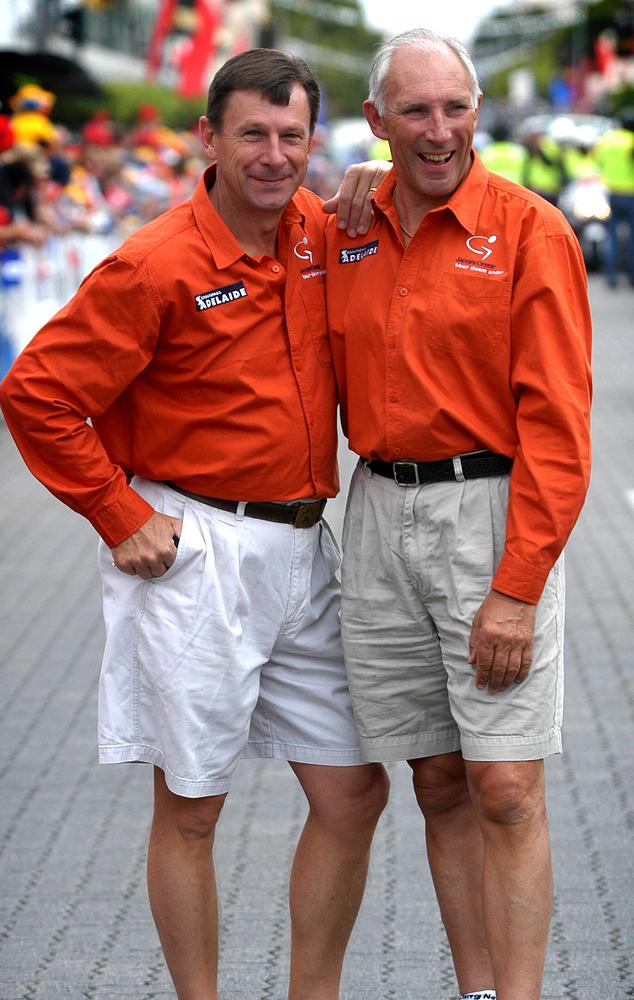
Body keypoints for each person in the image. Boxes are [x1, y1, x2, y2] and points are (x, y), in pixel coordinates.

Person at [0, 48, 390, 1000]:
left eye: (291, 136)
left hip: (308, 547)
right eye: (251, 133)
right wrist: (117, 513)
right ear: (207, 138)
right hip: (194, 549)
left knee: (353, 791)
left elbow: (431, 194)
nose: (273, 155)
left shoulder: (320, 231)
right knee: (193, 806)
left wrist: (384, 180)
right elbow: (37, 393)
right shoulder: (154, 262)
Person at [325, 29, 592, 1000]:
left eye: (452, 109)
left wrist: (515, 590)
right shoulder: (342, 224)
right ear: (375, 122)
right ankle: (474, 990)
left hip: (488, 517)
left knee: (506, 788)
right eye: (413, 112)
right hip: (376, 518)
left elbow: (558, 430)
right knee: (436, 781)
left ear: (476, 112)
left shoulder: (532, 230)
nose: (437, 131)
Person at [593, 108, 634, 288]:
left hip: (611, 193)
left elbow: (598, 163)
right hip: (631, 194)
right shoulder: (630, 141)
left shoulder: (607, 140)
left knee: (612, 236)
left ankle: (611, 276)